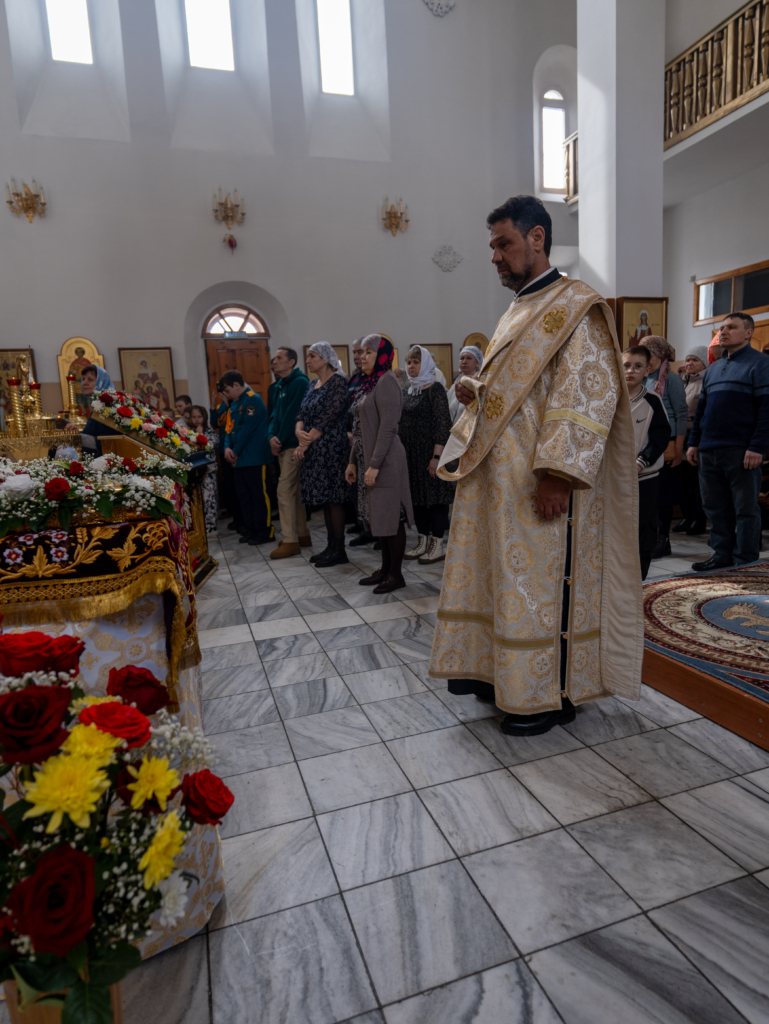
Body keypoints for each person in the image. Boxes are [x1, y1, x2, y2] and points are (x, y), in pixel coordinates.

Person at [429, 194, 642, 736]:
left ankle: (547, 694)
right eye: (493, 246)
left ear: (537, 238)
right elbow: (524, 393)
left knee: (539, 586)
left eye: (503, 244)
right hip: (497, 483)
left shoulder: (579, 306)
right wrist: (477, 390)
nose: (494, 256)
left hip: (538, 483)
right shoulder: (518, 309)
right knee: (502, 582)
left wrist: (558, 475)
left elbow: (585, 395)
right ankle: (500, 675)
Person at [687, 312, 769, 570]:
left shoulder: (761, 363)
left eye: (731, 327)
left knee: (745, 509)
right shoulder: (713, 369)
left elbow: (766, 409)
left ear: (748, 333)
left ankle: (745, 562)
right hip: (709, 448)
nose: (723, 332)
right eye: (721, 328)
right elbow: (702, 410)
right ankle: (721, 555)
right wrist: (694, 443)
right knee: (715, 507)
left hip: (741, 449)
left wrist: (757, 446)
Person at [345, 335, 414, 592]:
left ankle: (396, 575)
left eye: (368, 352)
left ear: (382, 355)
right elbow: (360, 428)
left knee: (391, 518)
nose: (362, 357)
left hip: (385, 460)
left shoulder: (387, 381)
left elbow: (387, 428)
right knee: (380, 519)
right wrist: (353, 462)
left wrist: (373, 464)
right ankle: (385, 570)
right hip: (370, 459)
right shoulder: (371, 382)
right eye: (361, 352)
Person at [295, 342, 351, 567]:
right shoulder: (312, 384)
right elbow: (301, 413)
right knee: (325, 500)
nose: (308, 361)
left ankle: (339, 550)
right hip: (314, 447)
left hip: (332, 448)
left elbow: (329, 416)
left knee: (334, 499)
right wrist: (299, 433)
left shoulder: (338, 382)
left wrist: (305, 443)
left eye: (312, 356)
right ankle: (331, 546)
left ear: (326, 359)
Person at [401, 346, 455, 564]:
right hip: (412, 456)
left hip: (431, 454)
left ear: (425, 364)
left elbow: (443, 425)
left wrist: (436, 457)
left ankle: (437, 545)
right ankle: (422, 542)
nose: (411, 366)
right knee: (418, 500)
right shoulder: (408, 391)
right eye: (409, 363)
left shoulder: (436, 389)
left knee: (435, 501)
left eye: (416, 362)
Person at [623, 347, 671, 579]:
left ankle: (639, 578)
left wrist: (640, 462)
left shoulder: (652, 400)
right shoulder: (610, 398)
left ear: (647, 370)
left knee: (643, 528)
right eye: (626, 365)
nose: (630, 371)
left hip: (644, 477)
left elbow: (661, 437)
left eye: (637, 366)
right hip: (615, 477)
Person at [641, 336, 688, 558]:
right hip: (645, 441)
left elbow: (680, 413)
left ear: (660, 355)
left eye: (649, 354)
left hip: (667, 443)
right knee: (649, 493)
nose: (645, 358)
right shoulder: (642, 376)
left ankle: (663, 539)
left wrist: (678, 449)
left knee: (664, 494)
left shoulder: (672, 379)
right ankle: (649, 537)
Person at [220, 370, 274, 546]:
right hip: (239, 459)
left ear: (236, 385)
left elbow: (247, 430)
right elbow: (229, 428)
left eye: (227, 390)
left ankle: (264, 530)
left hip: (254, 457)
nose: (226, 394)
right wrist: (227, 447)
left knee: (258, 496)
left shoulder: (253, 400)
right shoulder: (235, 403)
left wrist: (234, 451)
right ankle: (251, 529)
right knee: (244, 496)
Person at [268, 347, 311, 559]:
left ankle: (290, 541)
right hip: (282, 444)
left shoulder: (300, 382)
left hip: (294, 445)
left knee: (284, 491)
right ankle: (301, 534)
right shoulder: (280, 385)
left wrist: (280, 439)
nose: (274, 362)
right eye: (274, 358)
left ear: (291, 361)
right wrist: (270, 436)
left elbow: (294, 416)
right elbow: (274, 415)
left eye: (279, 358)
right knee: (294, 491)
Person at [674, 346, 708, 535]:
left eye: (695, 360)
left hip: (697, 435)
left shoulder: (705, 381)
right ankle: (687, 516)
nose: (689, 363)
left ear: (705, 363)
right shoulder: (682, 381)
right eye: (688, 360)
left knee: (696, 481)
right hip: (681, 434)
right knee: (682, 480)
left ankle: (698, 519)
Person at [67, 365, 120, 454]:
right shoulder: (98, 407)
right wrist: (77, 433)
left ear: (102, 382)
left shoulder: (107, 408)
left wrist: (78, 437)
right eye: (83, 379)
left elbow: (106, 442)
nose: (84, 383)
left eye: (90, 379)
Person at [190, 405, 219, 533]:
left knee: (209, 498)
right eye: (194, 417)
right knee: (196, 499)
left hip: (208, 471)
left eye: (199, 417)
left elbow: (211, 445)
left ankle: (210, 525)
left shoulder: (210, 432)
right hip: (193, 472)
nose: (197, 420)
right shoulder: (188, 433)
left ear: (204, 417)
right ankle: (198, 525)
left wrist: (201, 435)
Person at [448, 345, 484, 425]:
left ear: (477, 363)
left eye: (469, 358)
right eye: (462, 358)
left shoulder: (480, 383)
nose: (464, 361)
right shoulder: (455, 383)